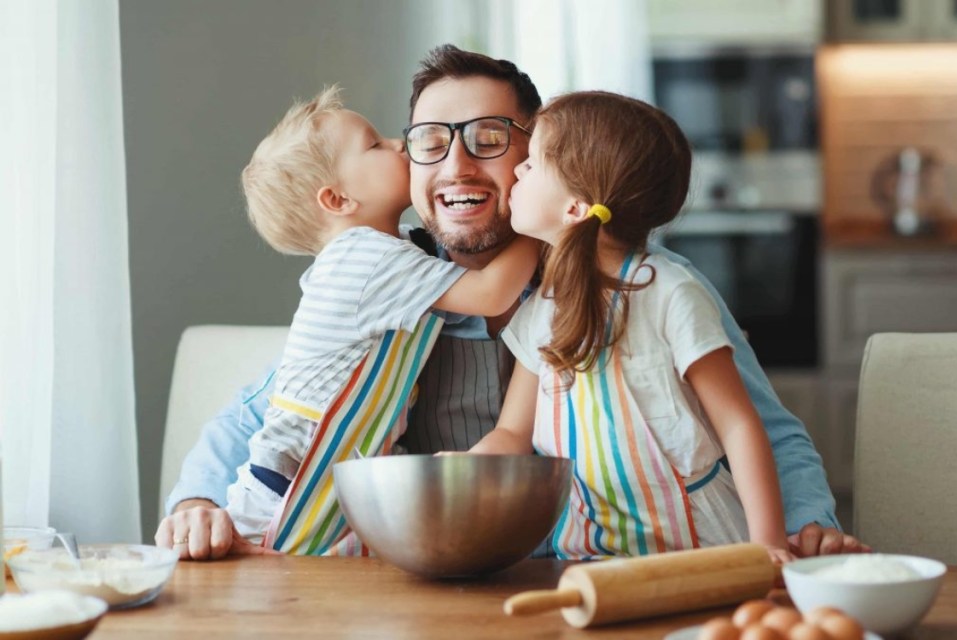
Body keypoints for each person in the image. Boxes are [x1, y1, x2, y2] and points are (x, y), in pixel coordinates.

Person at [156, 44, 868, 561]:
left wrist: (804, 528)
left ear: (551, 163)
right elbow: (270, 411)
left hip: (616, 570)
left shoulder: (653, 287)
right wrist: (195, 505)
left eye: (491, 140)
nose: (458, 165)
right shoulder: (397, 289)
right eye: (430, 143)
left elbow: (764, 430)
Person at [469, 91, 793, 563]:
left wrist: (768, 545)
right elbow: (512, 434)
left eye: (533, 163)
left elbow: (740, 424)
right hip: (588, 556)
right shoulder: (542, 308)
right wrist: (462, 469)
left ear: (576, 208)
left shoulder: (669, 293)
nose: (517, 169)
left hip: (701, 551)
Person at [222, 85, 538, 552]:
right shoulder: (363, 258)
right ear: (337, 199)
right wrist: (544, 224)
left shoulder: (396, 252)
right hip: (291, 478)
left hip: (340, 467)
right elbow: (493, 293)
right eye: (374, 144)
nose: (398, 143)